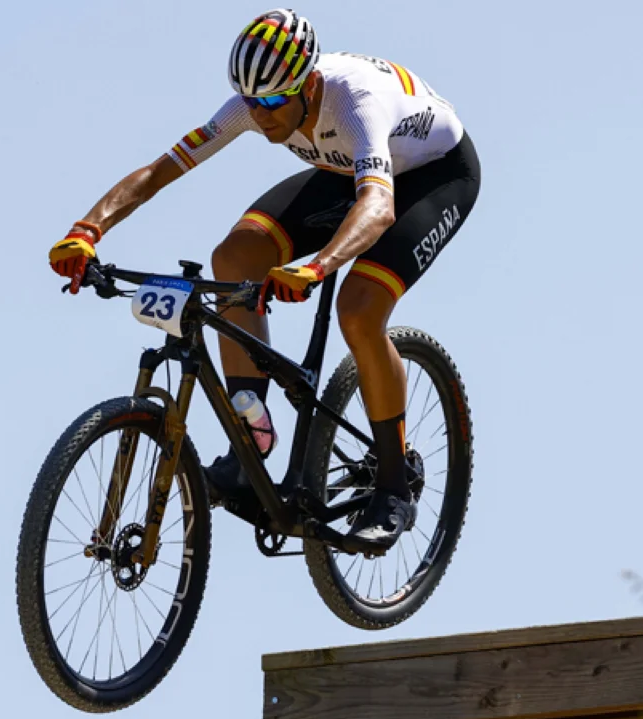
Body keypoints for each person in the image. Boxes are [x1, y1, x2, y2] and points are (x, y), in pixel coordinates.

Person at [47, 9, 480, 550]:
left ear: (310, 83)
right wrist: (88, 230)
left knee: (359, 308)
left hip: (433, 176)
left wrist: (317, 266)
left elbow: (378, 204)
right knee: (234, 258)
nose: (264, 116)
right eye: (253, 104)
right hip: (346, 169)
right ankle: (251, 432)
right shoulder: (255, 105)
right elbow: (162, 169)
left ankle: (394, 482)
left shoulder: (356, 101)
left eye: (275, 103)